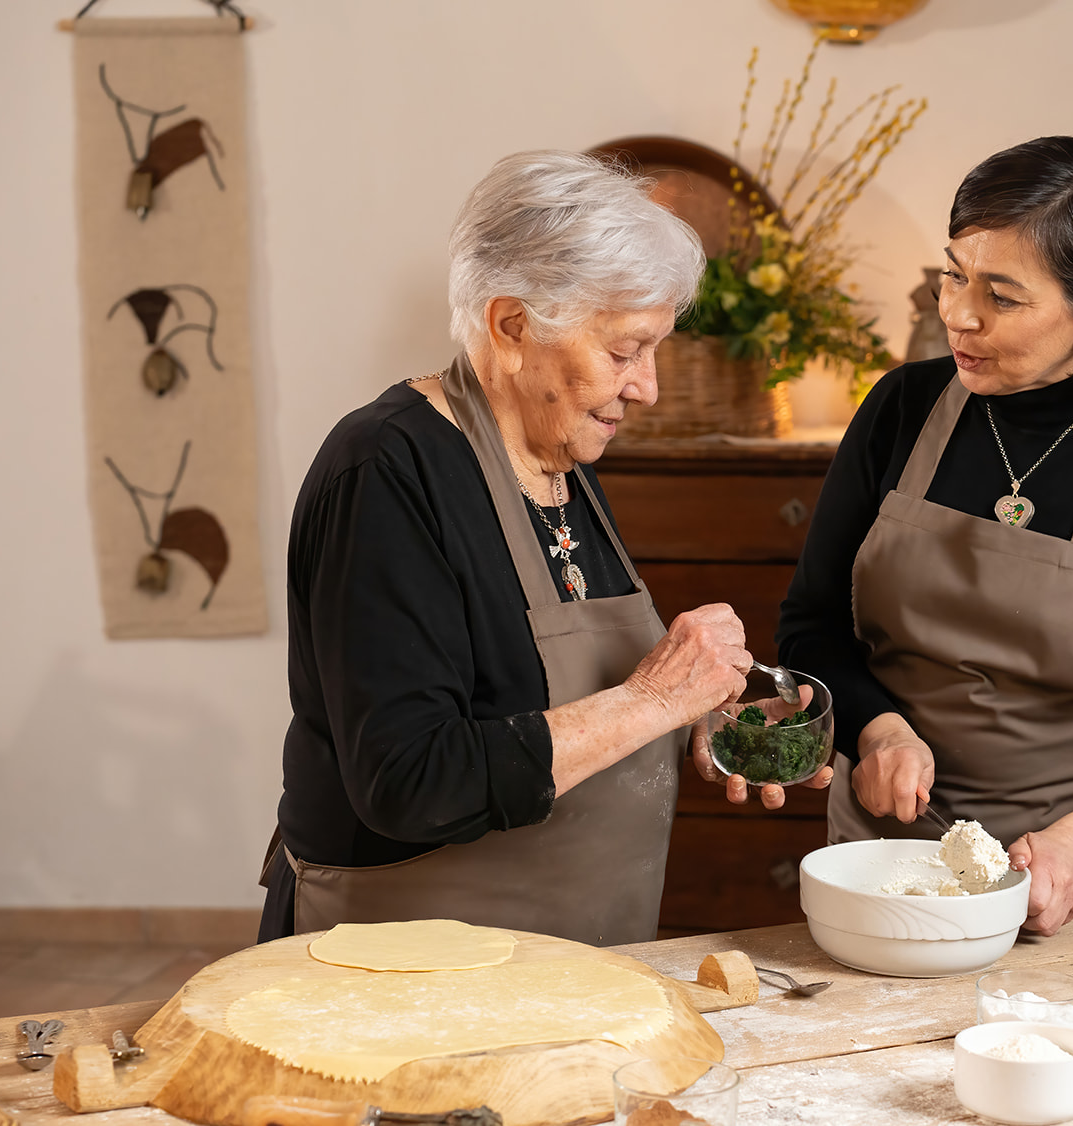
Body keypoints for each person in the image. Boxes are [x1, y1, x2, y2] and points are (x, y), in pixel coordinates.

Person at [259, 151, 830, 946]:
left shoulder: (560, 462)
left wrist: (701, 716)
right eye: (625, 351)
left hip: (569, 962)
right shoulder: (385, 472)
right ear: (513, 327)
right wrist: (651, 703)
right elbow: (409, 780)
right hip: (404, 968)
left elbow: (553, 705)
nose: (648, 387)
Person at [776, 137, 1073, 936]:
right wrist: (879, 730)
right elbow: (812, 623)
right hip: (887, 860)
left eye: (1002, 295)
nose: (960, 314)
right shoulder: (900, 410)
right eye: (954, 276)